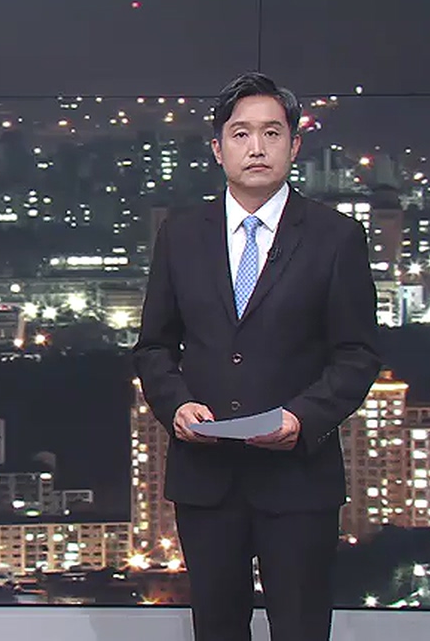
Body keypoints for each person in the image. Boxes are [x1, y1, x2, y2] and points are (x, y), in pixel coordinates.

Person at [132, 72, 382, 641]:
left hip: (298, 479)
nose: (257, 147)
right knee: (217, 628)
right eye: (241, 134)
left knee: (300, 628)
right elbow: (153, 347)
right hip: (206, 478)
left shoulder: (336, 237)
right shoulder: (180, 235)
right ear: (218, 148)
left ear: (295, 145)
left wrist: (301, 418)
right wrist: (176, 406)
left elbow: (357, 353)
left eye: (272, 133)